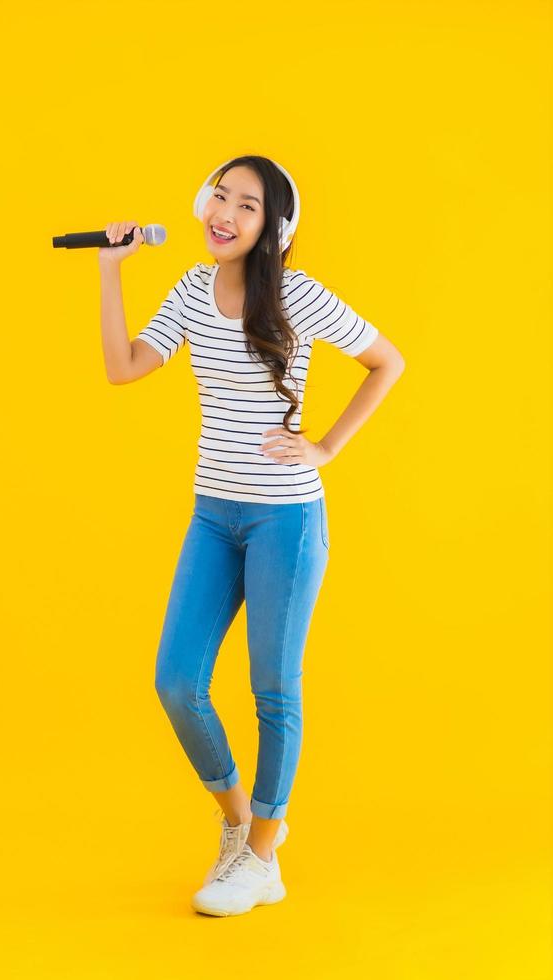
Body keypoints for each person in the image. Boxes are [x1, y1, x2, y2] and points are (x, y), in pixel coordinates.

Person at [98, 155, 406, 916]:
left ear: (273, 229)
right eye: (220, 196)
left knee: (273, 688)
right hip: (214, 512)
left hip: (285, 519)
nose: (224, 212)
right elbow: (123, 367)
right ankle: (242, 821)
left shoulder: (296, 296)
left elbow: (386, 361)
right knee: (177, 682)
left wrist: (326, 446)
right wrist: (111, 271)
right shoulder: (191, 291)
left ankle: (263, 858)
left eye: (247, 205)